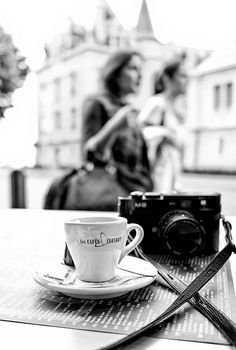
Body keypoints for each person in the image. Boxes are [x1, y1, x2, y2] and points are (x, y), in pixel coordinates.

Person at [81, 49, 153, 194]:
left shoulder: (129, 111)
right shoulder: (97, 103)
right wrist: (114, 127)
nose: (140, 76)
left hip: (136, 191)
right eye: (133, 68)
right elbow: (88, 153)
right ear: (115, 72)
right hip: (110, 194)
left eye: (141, 70)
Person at [138, 59, 188, 193]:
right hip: (157, 176)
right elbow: (140, 131)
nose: (185, 80)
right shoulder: (157, 103)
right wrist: (166, 135)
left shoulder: (177, 110)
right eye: (181, 75)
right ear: (167, 79)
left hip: (171, 176)